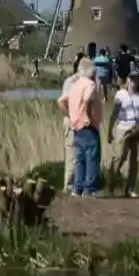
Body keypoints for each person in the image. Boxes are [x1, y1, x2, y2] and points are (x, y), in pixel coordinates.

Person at [58, 58, 102, 197]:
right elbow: (88, 99)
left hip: (76, 126)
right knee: (92, 157)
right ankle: (90, 189)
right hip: (88, 126)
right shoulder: (90, 84)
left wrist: (71, 113)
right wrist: (87, 116)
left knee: (80, 158)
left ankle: (77, 188)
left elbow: (61, 100)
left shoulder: (75, 85)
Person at [107, 75, 139, 198]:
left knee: (136, 158)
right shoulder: (121, 95)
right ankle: (112, 184)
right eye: (131, 81)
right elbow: (114, 113)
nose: (133, 84)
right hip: (124, 127)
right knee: (119, 157)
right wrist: (110, 130)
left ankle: (129, 188)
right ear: (127, 82)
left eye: (136, 81)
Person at [58, 63, 82, 193]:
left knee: (81, 154)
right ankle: (68, 186)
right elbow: (62, 101)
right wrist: (71, 116)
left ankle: (78, 185)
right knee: (72, 153)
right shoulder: (71, 82)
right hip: (72, 120)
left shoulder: (87, 82)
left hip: (82, 121)